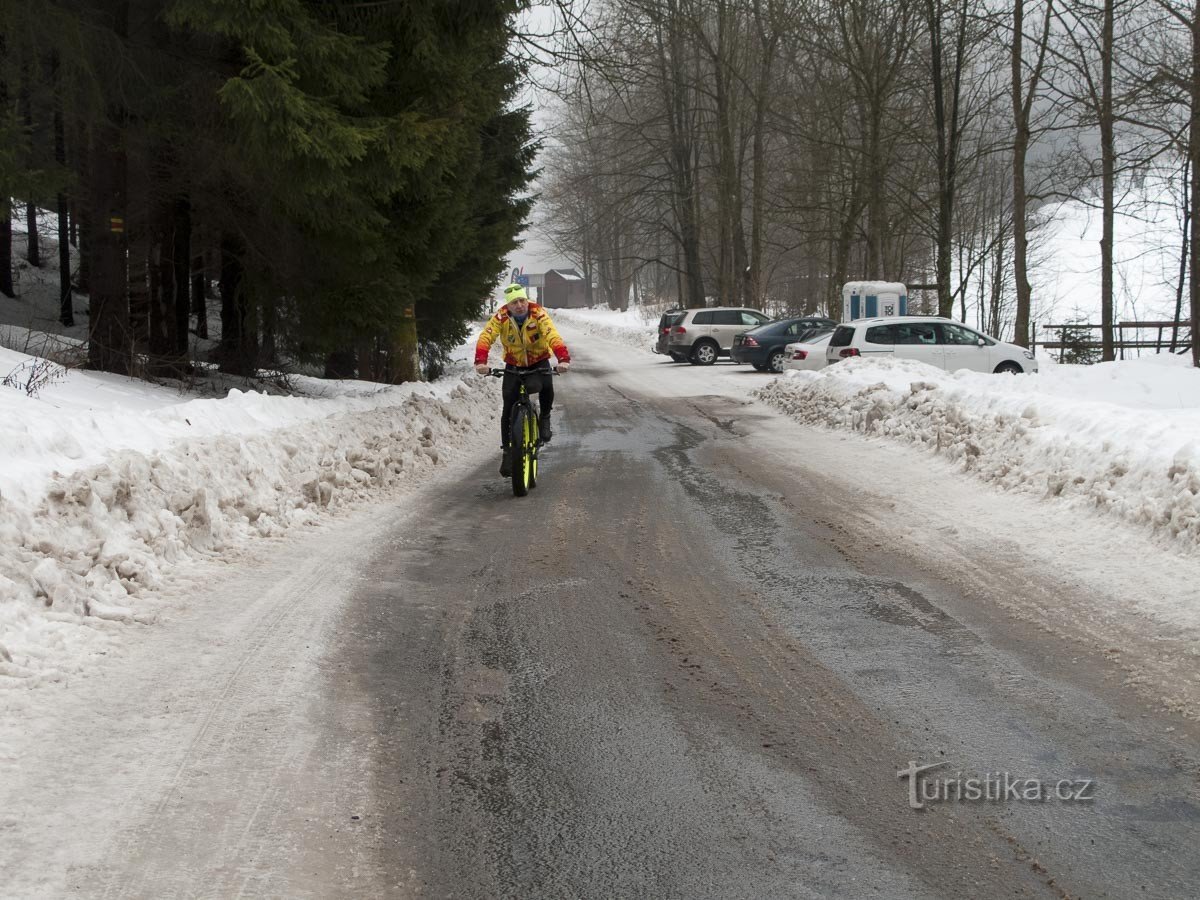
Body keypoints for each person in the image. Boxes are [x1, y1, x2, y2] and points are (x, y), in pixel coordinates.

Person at [475, 283, 571, 476]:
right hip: (514, 363)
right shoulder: (501, 317)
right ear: (508, 306)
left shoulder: (538, 314)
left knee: (546, 384)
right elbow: (486, 336)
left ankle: (544, 417)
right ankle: (508, 453)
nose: (519, 305)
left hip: (538, 360)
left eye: (522, 300)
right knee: (508, 406)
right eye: (514, 303)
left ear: (527, 300)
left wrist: (563, 359)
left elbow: (552, 335)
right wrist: (481, 361)